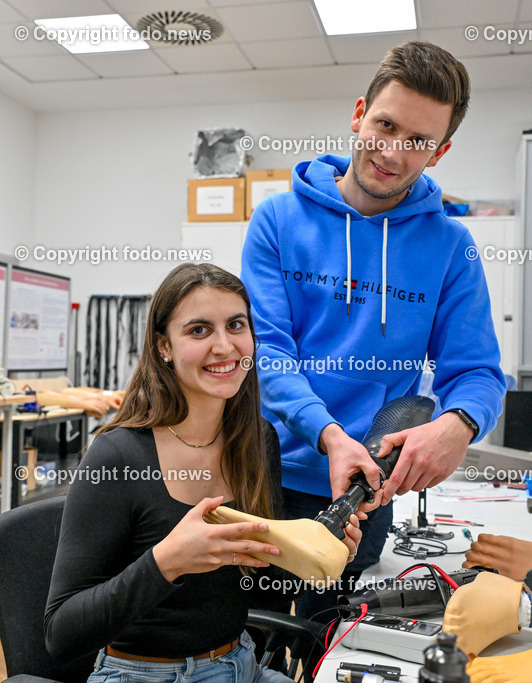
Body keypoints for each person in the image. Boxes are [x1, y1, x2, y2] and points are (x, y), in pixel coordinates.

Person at [241, 41, 506, 618]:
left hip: (367, 492)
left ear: (440, 151)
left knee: (333, 645)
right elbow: (267, 352)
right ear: (359, 114)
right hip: (265, 474)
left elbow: (478, 371)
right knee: (250, 638)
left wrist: (457, 424)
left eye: (418, 141)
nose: (392, 152)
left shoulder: (451, 247)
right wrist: (329, 436)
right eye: (385, 125)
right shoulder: (278, 221)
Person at [44, 263, 363, 682]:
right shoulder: (117, 455)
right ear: (164, 347)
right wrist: (167, 562)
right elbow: (60, 632)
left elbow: (249, 583)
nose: (224, 346)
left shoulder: (255, 439)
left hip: (241, 663)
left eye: (236, 325)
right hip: (144, 674)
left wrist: (320, 555)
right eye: (199, 330)